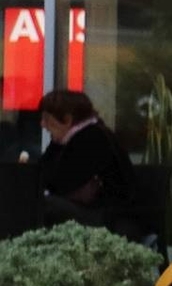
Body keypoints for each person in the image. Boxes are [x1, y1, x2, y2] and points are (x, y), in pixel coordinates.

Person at [34, 89, 137, 229]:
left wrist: (56, 149)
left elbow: (59, 182)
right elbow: (42, 173)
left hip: (107, 216)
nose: (43, 124)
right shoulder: (66, 138)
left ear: (67, 119)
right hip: (92, 211)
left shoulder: (93, 137)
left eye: (47, 119)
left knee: (45, 206)